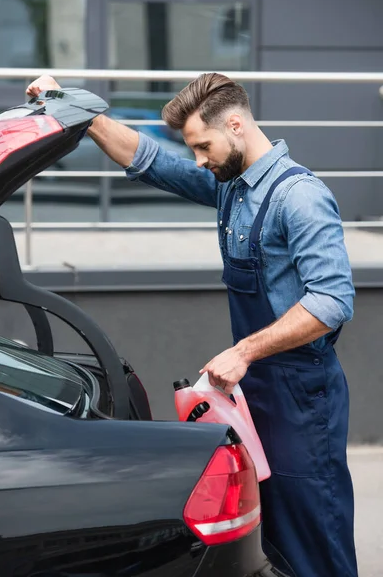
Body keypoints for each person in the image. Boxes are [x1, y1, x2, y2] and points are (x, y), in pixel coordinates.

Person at [26, 73, 358, 577]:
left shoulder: (300, 198)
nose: (200, 160)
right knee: (276, 539)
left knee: (315, 536)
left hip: (304, 400)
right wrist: (71, 106)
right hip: (260, 393)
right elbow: (153, 162)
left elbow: (332, 301)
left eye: (204, 146)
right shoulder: (233, 190)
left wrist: (244, 351)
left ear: (236, 124)